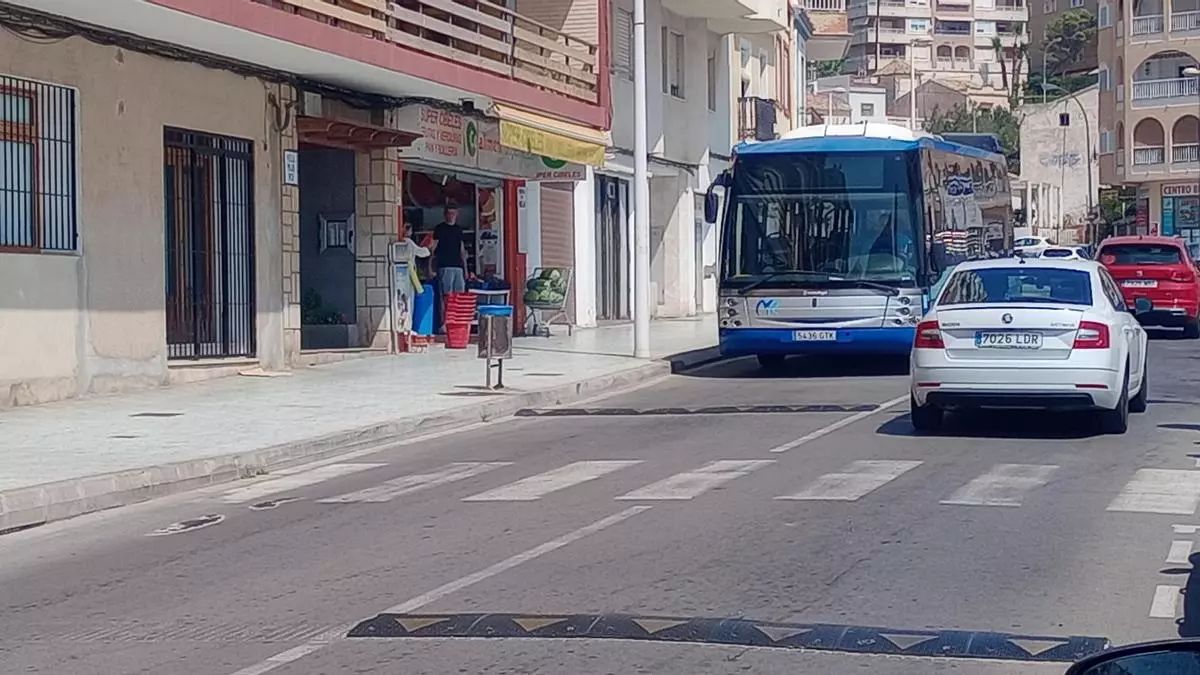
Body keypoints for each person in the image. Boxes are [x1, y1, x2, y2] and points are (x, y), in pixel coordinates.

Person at [430, 203, 469, 330]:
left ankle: (457, 322)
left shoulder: (458, 230)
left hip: (458, 267)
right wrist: (430, 267)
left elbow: (462, 251)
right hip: (444, 266)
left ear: (457, 215)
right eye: (449, 213)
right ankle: (444, 323)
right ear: (445, 214)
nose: (451, 216)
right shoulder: (439, 228)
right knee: (446, 296)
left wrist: (466, 270)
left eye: (453, 213)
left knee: (459, 297)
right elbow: (433, 249)